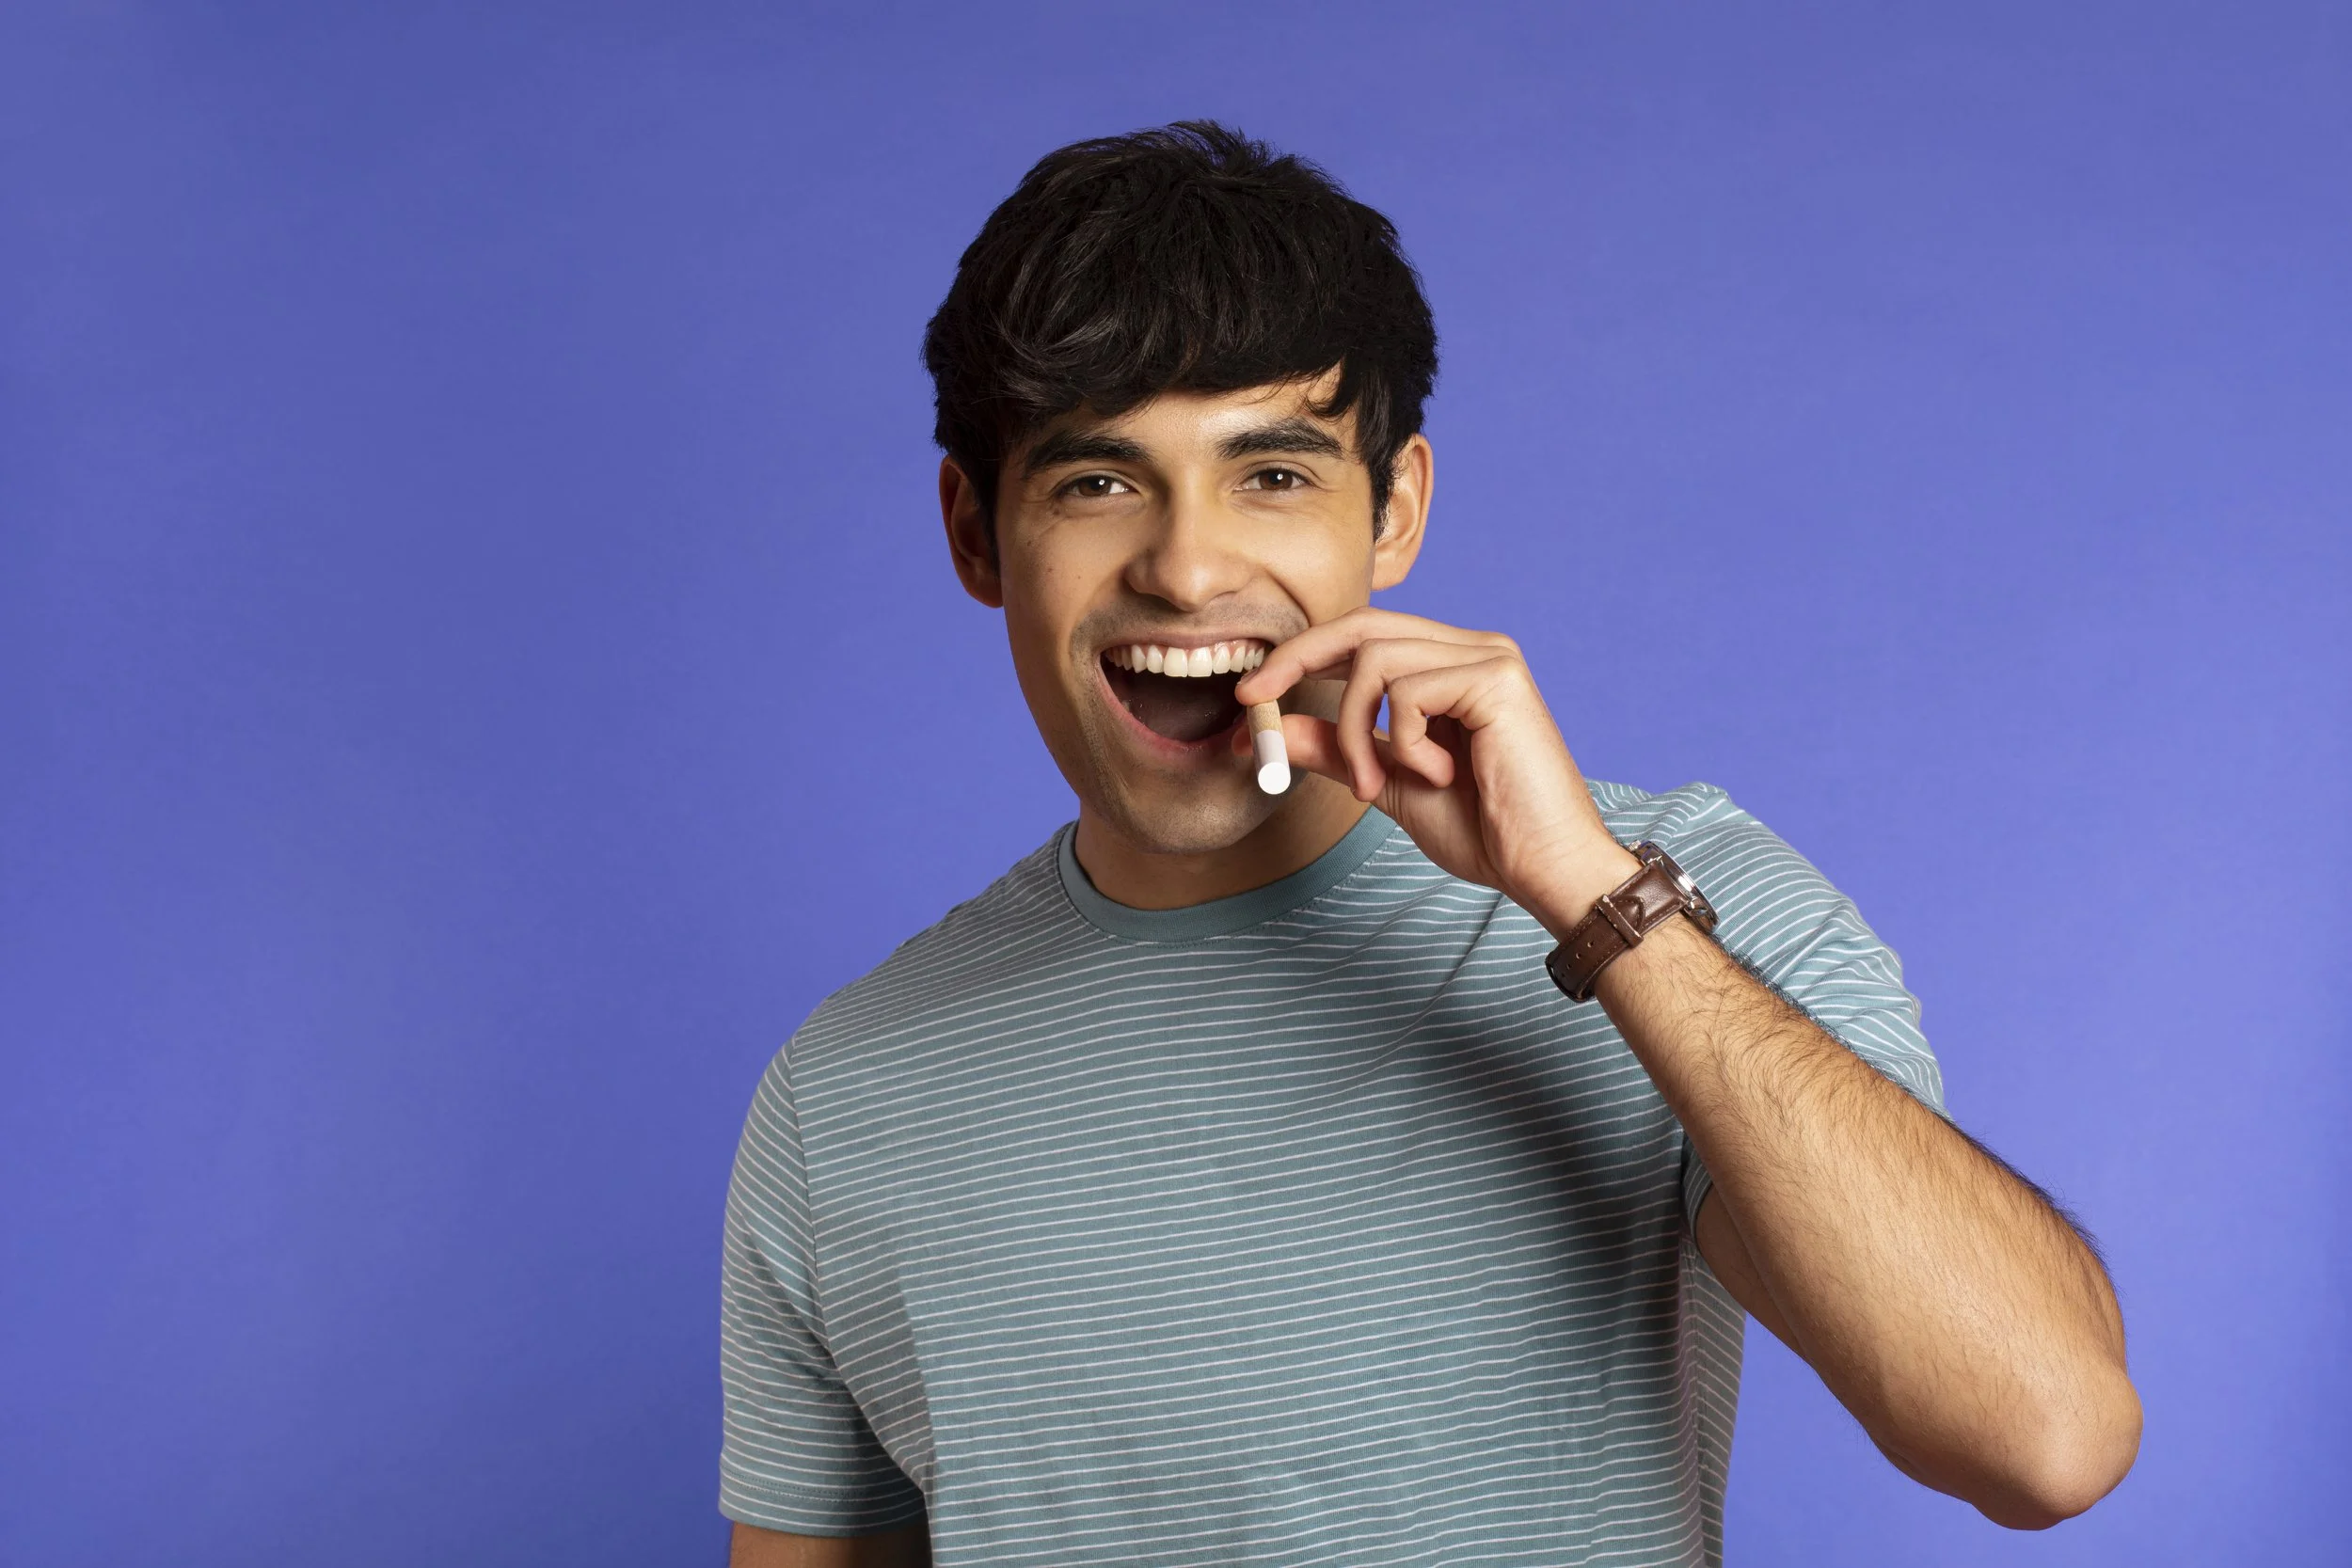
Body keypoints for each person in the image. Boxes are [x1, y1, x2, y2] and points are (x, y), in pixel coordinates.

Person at [719, 122, 2139, 1568]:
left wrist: (1587, 896)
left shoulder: (1669, 903)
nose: (1188, 565)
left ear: (1395, 508)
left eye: (1271, 474)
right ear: (976, 532)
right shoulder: (842, 1096)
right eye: (1098, 480)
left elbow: (2043, 1435)